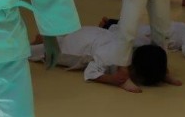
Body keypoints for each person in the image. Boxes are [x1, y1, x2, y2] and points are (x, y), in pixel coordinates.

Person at [29, 29, 170, 93]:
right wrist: (112, 80)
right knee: (37, 53)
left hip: (92, 34)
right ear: (132, 69)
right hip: (75, 47)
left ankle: (48, 38)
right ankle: (42, 41)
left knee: (60, 40)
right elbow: (90, 72)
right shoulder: (110, 55)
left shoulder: (135, 46)